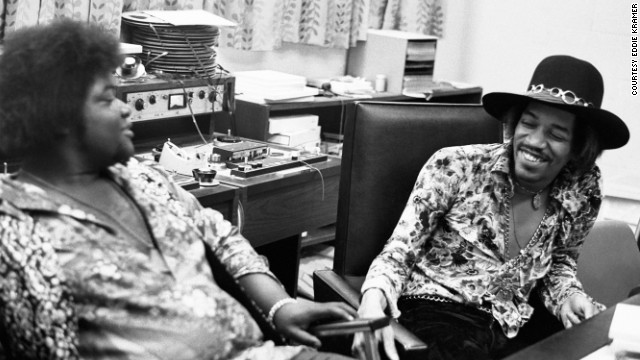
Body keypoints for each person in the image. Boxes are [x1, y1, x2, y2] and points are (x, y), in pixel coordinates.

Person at [0, 20, 357, 360]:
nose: (126, 109)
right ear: (58, 118)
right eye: (107, 99)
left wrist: (282, 307)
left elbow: (220, 238)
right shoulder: (18, 233)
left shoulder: (142, 179)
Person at [352, 55, 630, 360]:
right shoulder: (455, 165)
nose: (534, 141)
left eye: (556, 134)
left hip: (514, 320)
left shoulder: (583, 187)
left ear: (577, 147)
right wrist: (373, 298)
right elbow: (400, 250)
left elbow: (560, 262)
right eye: (529, 123)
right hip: (439, 311)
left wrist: (568, 297)